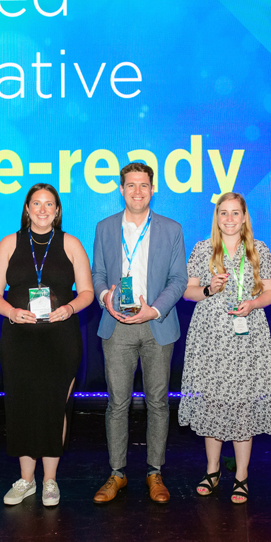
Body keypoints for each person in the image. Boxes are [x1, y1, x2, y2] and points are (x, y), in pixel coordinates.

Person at [0, 184, 95, 507]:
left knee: (54, 407)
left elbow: (87, 292)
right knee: (20, 406)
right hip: (19, 340)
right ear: (27, 208)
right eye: (37, 203)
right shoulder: (9, 243)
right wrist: (11, 312)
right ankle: (26, 480)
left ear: (57, 210)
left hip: (61, 341)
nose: (43, 209)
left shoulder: (71, 244)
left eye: (50, 204)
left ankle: (50, 481)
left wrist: (70, 307)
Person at [91, 162, 189, 504]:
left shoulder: (171, 229)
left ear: (152, 189)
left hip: (157, 324)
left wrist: (154, 309)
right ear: (121, 189)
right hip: (116, 325)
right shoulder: (105, 228)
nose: (137, 191)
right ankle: (117, 474)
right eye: (131, 185)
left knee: (158, 403)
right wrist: (106, 298)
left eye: (144, 185)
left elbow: (178, 280)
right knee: (117, 403)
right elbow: (98, 275)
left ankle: (154, 472)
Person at [179, 192, 271, 504]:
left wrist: (253, 303)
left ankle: (242, 475)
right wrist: (209, 288)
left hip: (247, 339)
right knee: (212, 401)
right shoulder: (203, 248)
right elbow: (187, 291)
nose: (230, 219)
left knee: (242, 403)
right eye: (224, 213)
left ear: (245, 217)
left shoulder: (259, 249)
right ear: (217, 217)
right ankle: (212, 470)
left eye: (236, 213)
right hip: (210, 338)